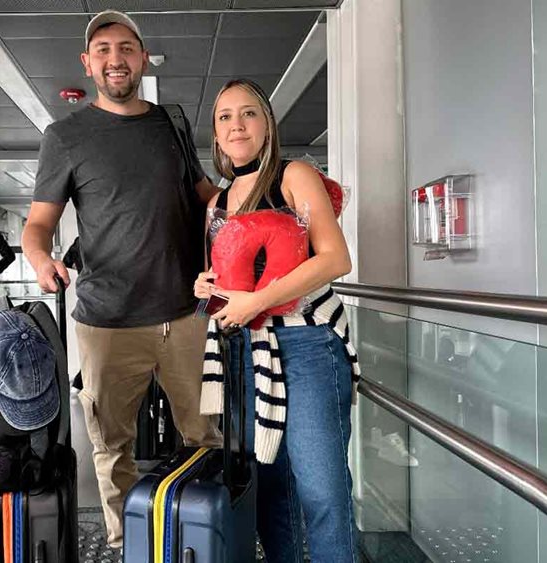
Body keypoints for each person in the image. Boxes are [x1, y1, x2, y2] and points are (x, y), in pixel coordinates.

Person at [21, 10, 222, 548]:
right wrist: (42, 261)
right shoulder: (64, 137)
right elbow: (39, 223)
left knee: (204, 435)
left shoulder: (171, 123)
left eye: (127, 47)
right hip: (106, 319)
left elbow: (205, 196)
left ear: (142, 57)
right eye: (104, 49)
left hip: (185, 311)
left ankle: (203, 536)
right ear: (88, 64)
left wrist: (260, 202)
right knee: (112, 444)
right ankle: (124, 542)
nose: (116, 58)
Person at [193, 79, 360, 562]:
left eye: (248, 113)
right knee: (270, 493)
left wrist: (257, 299)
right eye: (225, 117)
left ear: (267, 124)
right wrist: (207, 288)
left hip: (308, 345)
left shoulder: (294, 176)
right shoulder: (216, 205)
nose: (236, 124)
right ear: (217, 134)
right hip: (245, 350)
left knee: (322, 491)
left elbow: (334, 259)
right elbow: (226, 284)